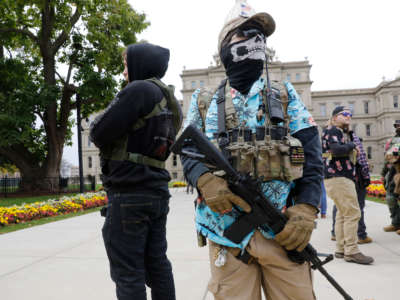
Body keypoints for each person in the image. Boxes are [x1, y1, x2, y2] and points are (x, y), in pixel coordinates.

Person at [180, 2, 323, 299]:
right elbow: (188, 148)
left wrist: (307, 207)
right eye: (243, 33)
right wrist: (203, 180)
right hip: (226, 236)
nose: (254, 40)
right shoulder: (205, 99)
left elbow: (310, 150)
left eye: (259, 34)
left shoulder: (283, 93)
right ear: (224, 46)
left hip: (284, 232)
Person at [90, 42, 182, 300]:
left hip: (129, 194)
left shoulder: (138, 90)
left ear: (140, 64)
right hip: (156, 193)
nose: (124, 73)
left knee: (128, 273)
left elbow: (98, 132)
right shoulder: (169, 98)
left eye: (126, 66)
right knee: (158, 266)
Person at [322, 106, 373, 265]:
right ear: (335, 117)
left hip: (335, 177)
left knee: (343, 214)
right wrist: (352, 145)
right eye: (344, 114)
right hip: (339, 177)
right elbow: (336, 150)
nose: (348, 116)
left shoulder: (335, 132)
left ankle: (341, 248)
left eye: (350, 114)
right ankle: (352, 250)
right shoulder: (334, 131)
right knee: (353, 213)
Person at [331, 134, 372, 244]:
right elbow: (362, 161)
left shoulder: (333, 138)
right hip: (354, 176)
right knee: (357, 206)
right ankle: (361, 235)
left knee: (340, 206)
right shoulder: (351, 139)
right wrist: (366, 177)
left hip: (340, 175)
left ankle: (335, 233)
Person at [381, 119, 400, 234]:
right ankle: (395, 223)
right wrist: (383, 174)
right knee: (390, 198)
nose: (398, 127)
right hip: (392, 172)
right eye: (397, 125)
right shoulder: (392, 140)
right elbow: (387, 158)